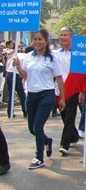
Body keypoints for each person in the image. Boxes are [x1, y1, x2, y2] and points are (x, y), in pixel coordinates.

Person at [14, 29, 65, 169]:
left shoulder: (52, 58)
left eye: (40, 39)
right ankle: (47, 141)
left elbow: (59, 79)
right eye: (35, 39)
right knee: (32, 129)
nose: (37, 42)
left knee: (38, 127)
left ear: (46, 41)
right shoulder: (28, 56)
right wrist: (18, 66)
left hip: (46, 95)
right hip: (31, 95)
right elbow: (26, 77)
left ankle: (39, 157)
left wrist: (62, 98)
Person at [55, 27, 83, 156]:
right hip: (59, 89)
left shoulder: (77, 53)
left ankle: (64, 144)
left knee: (69, 117)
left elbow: (82, 73)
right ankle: (74, 135)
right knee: (63, 115)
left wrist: (81, 91)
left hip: (73, 89)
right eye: (61, 35)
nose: (62, 37)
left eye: (65, 35)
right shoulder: (56, 54)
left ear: (71, 38)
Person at [5, 40, 27, 118]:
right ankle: (25, 111)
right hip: (15, 74)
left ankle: (10, 112)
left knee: (11, 94)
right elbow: (24, 70)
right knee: (22, 94)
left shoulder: (16, 54)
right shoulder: (25, 57)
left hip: (9, 73)